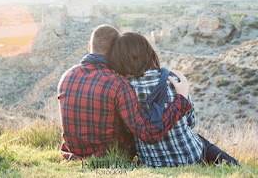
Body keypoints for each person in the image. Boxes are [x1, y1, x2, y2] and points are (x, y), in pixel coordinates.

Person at [57, 25, 192, 160]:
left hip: (72, 154)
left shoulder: (67, 76)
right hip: (110, 156)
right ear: (117, 51)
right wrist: (181, 101)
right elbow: (149, 134)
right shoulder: (117, 83)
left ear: (89, 47)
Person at [110, 31, 240, 167]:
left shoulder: (123, 90)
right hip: (190, 155)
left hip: (152, 162)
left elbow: (127, 130)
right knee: (209, 147)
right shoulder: (174, 81)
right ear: (148, 52)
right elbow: (191, 122)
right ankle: (235, 166)